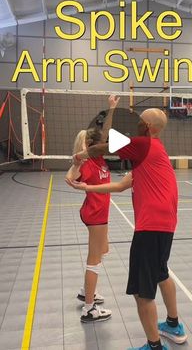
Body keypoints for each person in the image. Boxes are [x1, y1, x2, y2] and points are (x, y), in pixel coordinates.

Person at [70, 108, 187, 349]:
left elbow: (104, 145)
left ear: (150, 127)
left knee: (142, 293)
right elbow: (123, 185)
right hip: (165, 224)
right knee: (161, 273)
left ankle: (154, 345)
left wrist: (80, 155)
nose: (136, 123)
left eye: (140, 120)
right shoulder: (152, 152)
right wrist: (87, 188)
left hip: (151, 226)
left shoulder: (144, 144)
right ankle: (173, 325)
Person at [66, 95, 120, 323]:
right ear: (89, 146)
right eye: (98, 143)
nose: (104, 144)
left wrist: (111, 109)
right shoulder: (86, 162)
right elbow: (72, 174)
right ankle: (89, 308)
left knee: (102, 251)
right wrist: (72, 176)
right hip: (95, 215)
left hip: (100, 215)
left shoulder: (98, 160)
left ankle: (85, 290)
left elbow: (106, 134)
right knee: (94, 259)